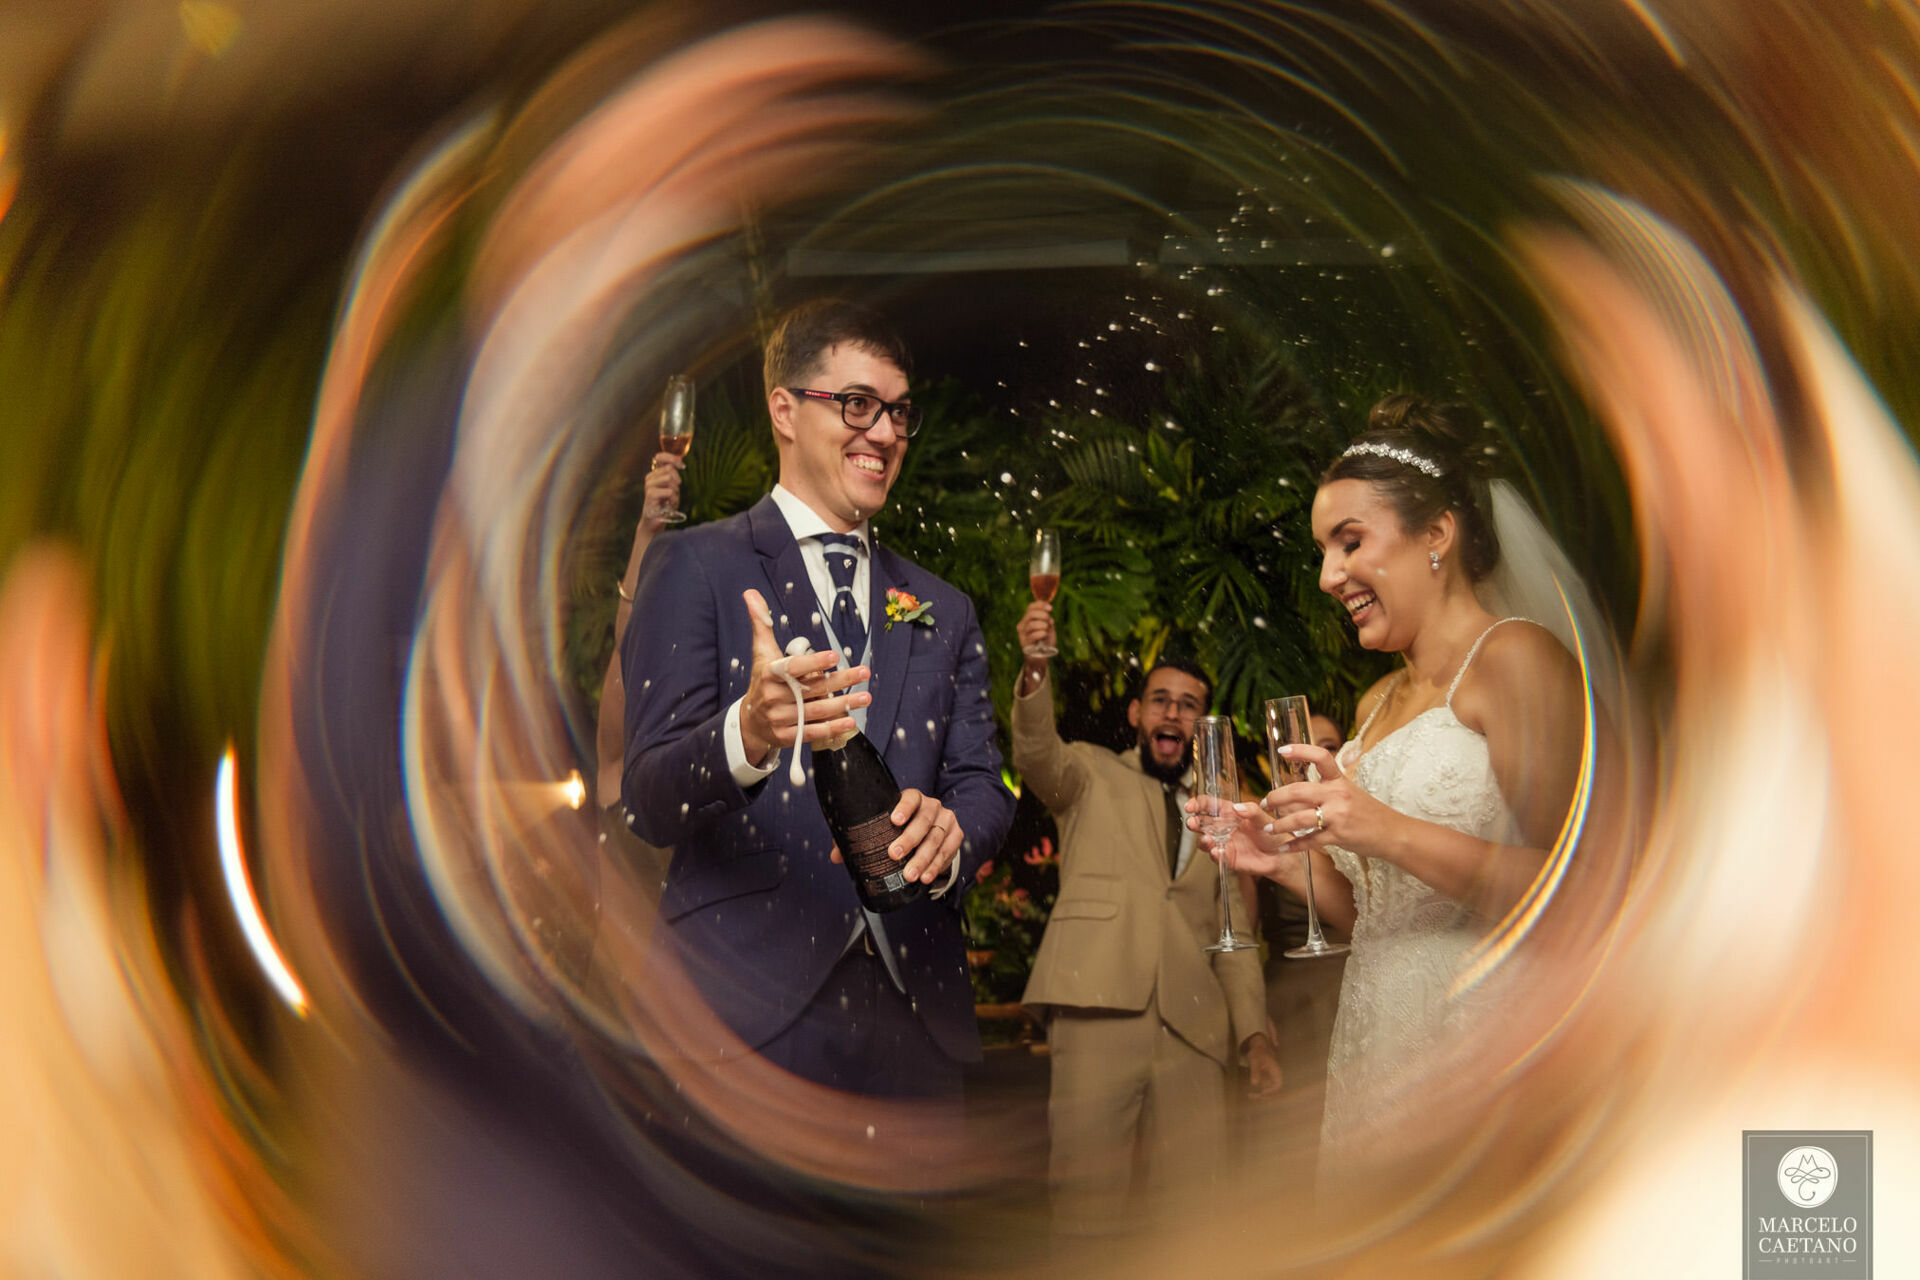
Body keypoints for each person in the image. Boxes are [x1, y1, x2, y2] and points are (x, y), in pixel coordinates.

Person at [621, 299, 1014, 1098]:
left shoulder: (943, 605)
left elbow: (983, 783)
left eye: (899, 413)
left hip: (917, 1021)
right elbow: (648, 800)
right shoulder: (696, 567)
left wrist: (955, 834)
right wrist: (749, 733)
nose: (885, 434)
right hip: (740, 1015)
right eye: (857, 404)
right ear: (785, 410)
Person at [1205, 393, 1603, 1161]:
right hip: (1377, 1034)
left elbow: (1579, 890)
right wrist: (1283, 861)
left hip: (1479, 1034)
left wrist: (1381, 826)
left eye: (1349, 542)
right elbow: (1382, 912)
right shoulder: (1376, 700)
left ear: (1437, 535)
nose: (1328, 576)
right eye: (1324, 551)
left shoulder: (1514, 661)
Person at [1011, 601, 1281, 1238]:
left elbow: (1235, 931)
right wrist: (1033, 670)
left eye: (1188, 704)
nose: (1173, 713)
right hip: (1097, 1007)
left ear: (1201, 724)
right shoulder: (1087, 774)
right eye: (1160, 699)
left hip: (1195, 1027)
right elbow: (1035, 752)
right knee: (1083, 1208)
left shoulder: (1220, 811)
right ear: (1136, 714)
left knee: (1194, 1216)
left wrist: (1255, 1038)